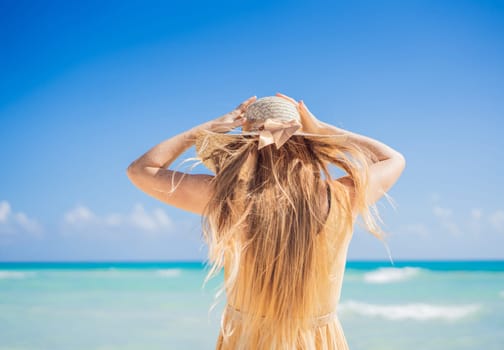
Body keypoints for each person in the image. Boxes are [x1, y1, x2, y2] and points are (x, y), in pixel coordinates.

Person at [127, 93, 406, 349]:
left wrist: (205, 130)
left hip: (247, 340)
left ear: (246, 149)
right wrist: (323, 130)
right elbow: (392, 158)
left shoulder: (227, 198)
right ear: (308, 148)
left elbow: (141, 170)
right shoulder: (338, 197)